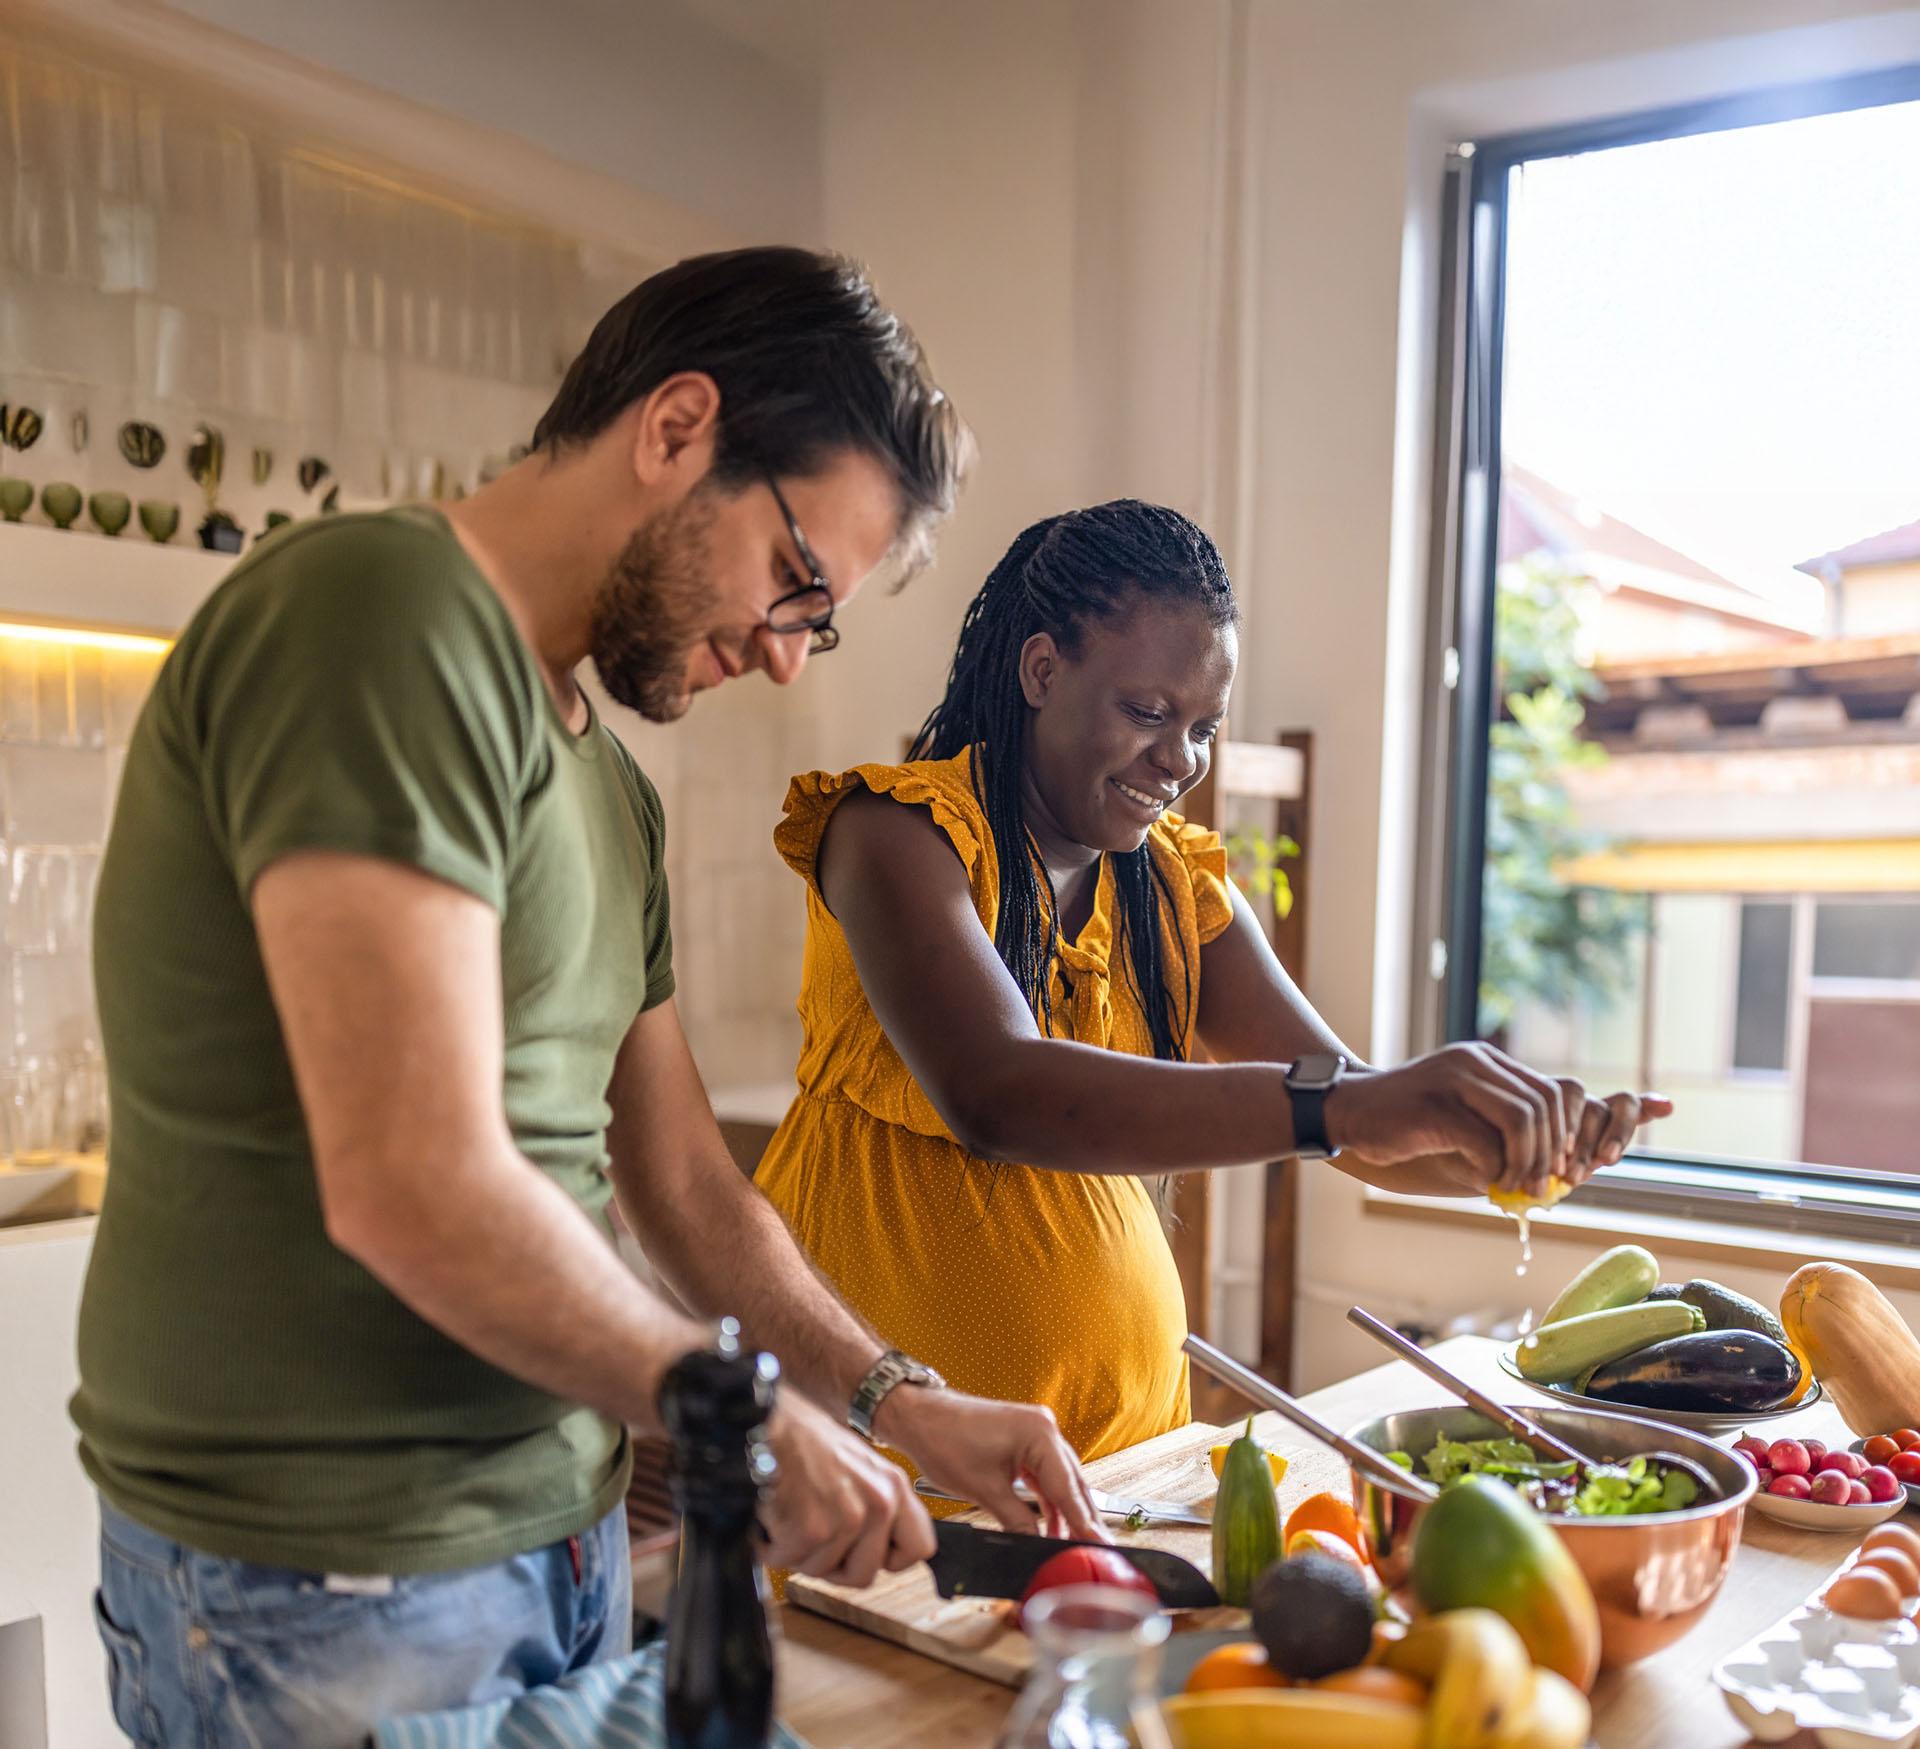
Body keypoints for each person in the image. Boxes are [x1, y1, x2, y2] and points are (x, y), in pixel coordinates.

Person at [72, 247, 1104, 1748]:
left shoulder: (605, 785)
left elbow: (684, 1183)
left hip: (553, 1544)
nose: (784, 652)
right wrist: (735, 1412)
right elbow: (411, 1181)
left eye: (821, 619)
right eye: (797, 580)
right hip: (329, 1579)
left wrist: (895, 1398)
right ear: (679, 429)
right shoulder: (382, 615)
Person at [756, 500, 1672, 1464]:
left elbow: (1366, 1131)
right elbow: (999, 1092)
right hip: (875, 1466)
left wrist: (1518, 1144)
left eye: (1203, 726)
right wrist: (1358, 1105)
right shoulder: (897, 836)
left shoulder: (1174, 889)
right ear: (1040, 670)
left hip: (1120, 1470)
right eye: (1148, 713)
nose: (1181, 759)